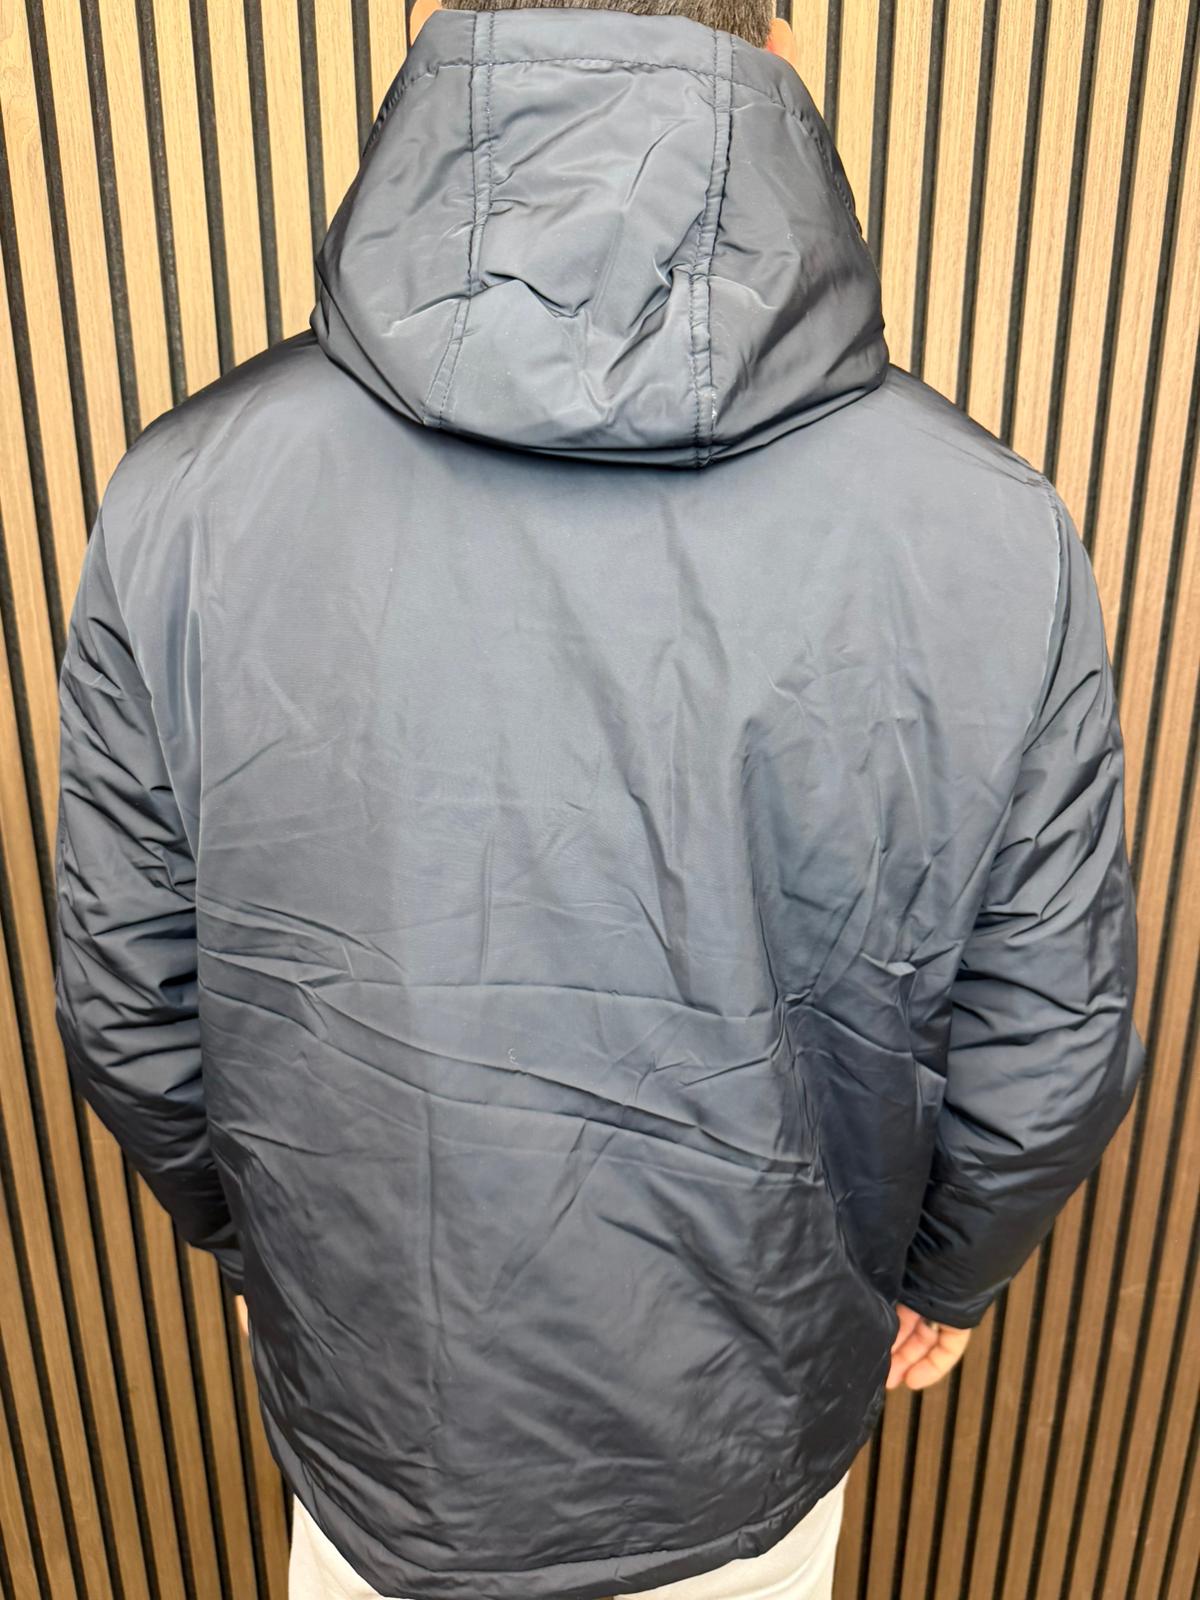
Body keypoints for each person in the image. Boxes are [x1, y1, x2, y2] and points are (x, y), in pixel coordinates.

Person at [51, 0, 1144, 1596]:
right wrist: (950, 1274)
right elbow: (1049, 1029)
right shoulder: (987, 526)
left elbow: (129, 1002)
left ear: (436, 27)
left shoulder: (187, 495)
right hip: (750, 1427)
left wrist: (265, 1245)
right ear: (779, 51)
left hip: (387, 1433)